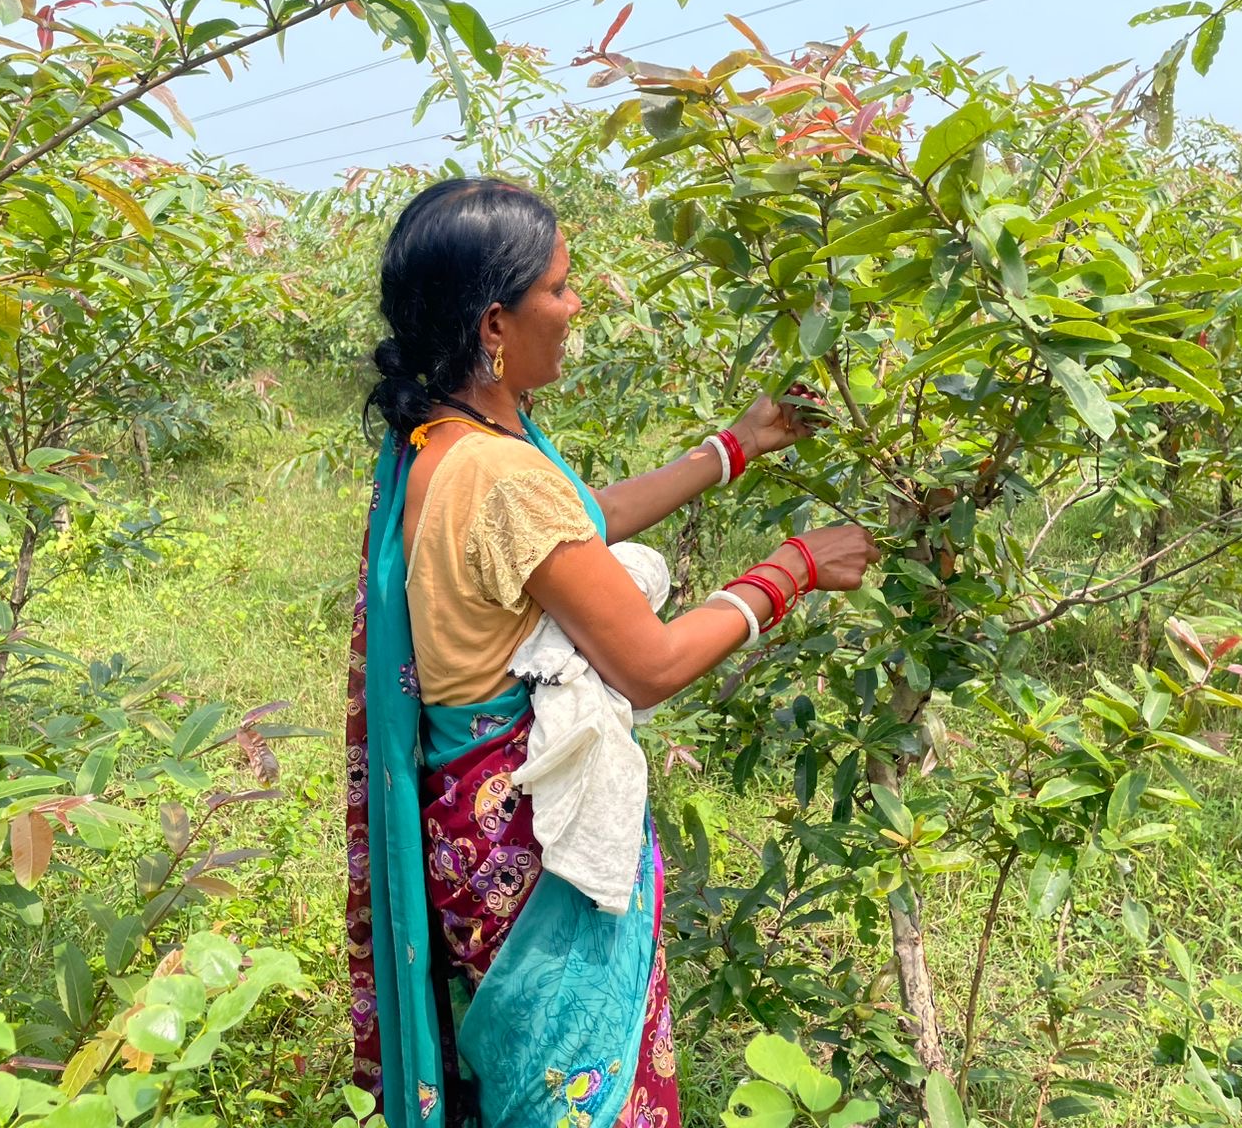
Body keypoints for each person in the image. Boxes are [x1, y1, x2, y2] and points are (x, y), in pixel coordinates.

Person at [343, 177, 879, 1128]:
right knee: (571, 1092)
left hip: (469, 836)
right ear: (495, 324)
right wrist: (794, 568)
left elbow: (579, 526)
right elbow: (651, 664)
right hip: (530, 847)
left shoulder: (446, 439)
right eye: (559, 287)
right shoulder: (498, 475)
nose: (577, 304)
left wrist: (736, 445)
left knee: (536, 1081)